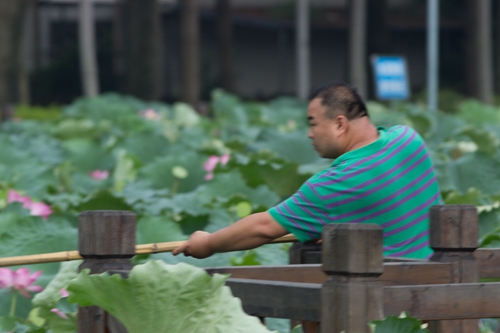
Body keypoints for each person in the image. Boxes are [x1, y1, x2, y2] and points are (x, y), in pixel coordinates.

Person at [173, 82, 442, 260]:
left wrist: (207, 244)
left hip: (388, 302)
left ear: (339, 124)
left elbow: (264, 227)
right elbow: (384, 211)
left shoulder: (333, 184)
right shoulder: (409, 140)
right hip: (440, 290)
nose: (309, 134)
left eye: (313, 124)